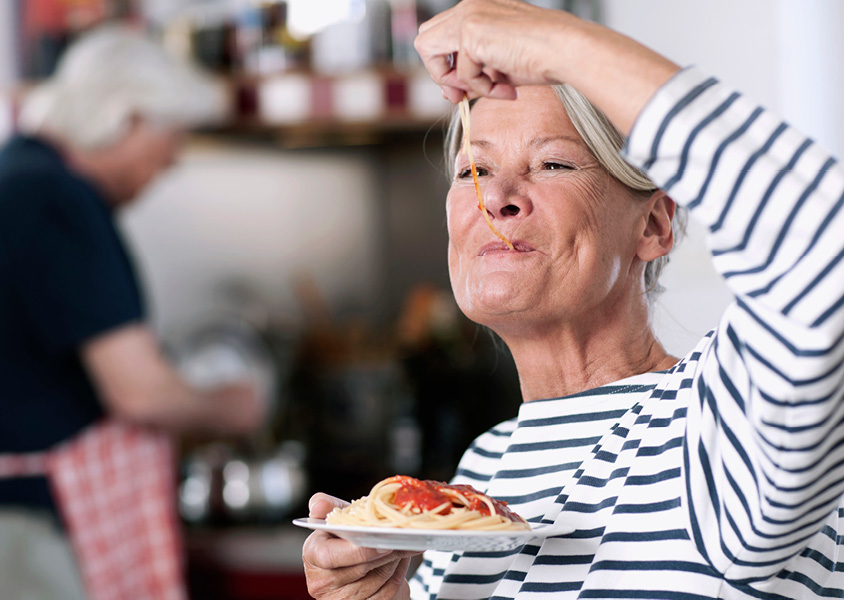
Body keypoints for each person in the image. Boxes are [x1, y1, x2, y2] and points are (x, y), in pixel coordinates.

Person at [301, 0, 844, 598]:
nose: (496, 198)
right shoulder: (483, 471)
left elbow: (823, 248)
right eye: (472, 170)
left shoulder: (717, 423)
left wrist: (554, 43)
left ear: (654, 226)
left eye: (552, 163)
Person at [0, 26, 266, 600]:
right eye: (169, 140)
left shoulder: (19, 176)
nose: (169, 164)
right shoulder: (55, 200)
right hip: (27, 532)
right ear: (128, 118)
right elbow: (140, 392)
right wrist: (235, 404)